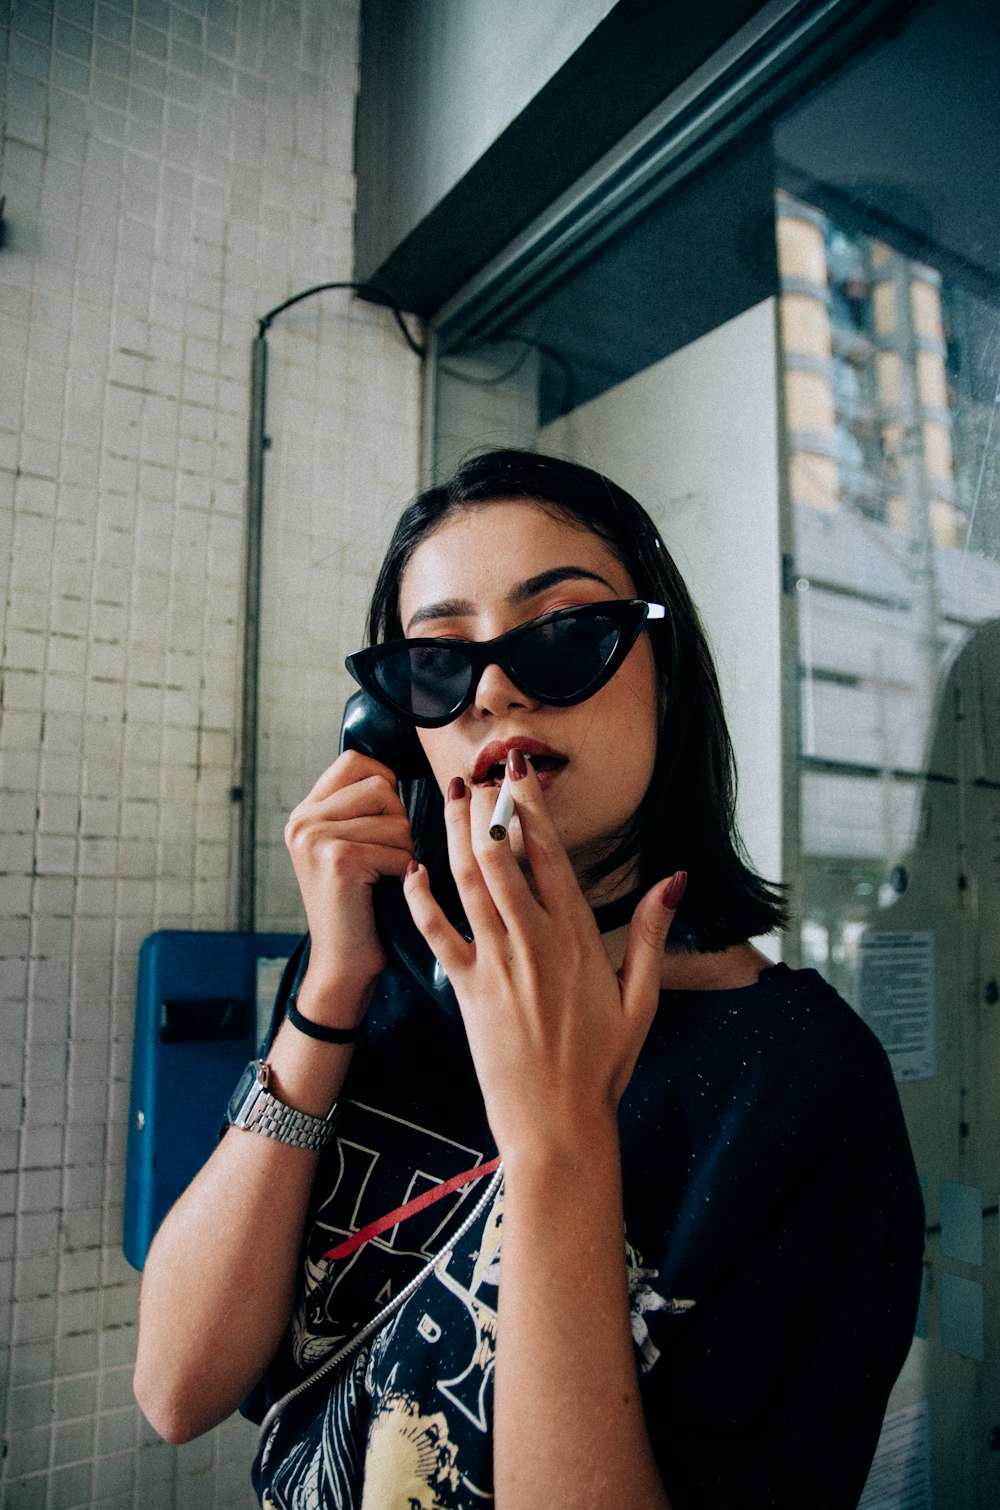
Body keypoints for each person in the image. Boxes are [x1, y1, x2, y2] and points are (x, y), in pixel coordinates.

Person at [135, 450, 924, 1509]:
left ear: (667, 668)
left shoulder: (801, 1084)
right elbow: (178, 1390)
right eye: (437, 662)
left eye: (561, 634)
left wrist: (558, 1142)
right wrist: (329, 991)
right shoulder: (377, 975)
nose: (495, 689)